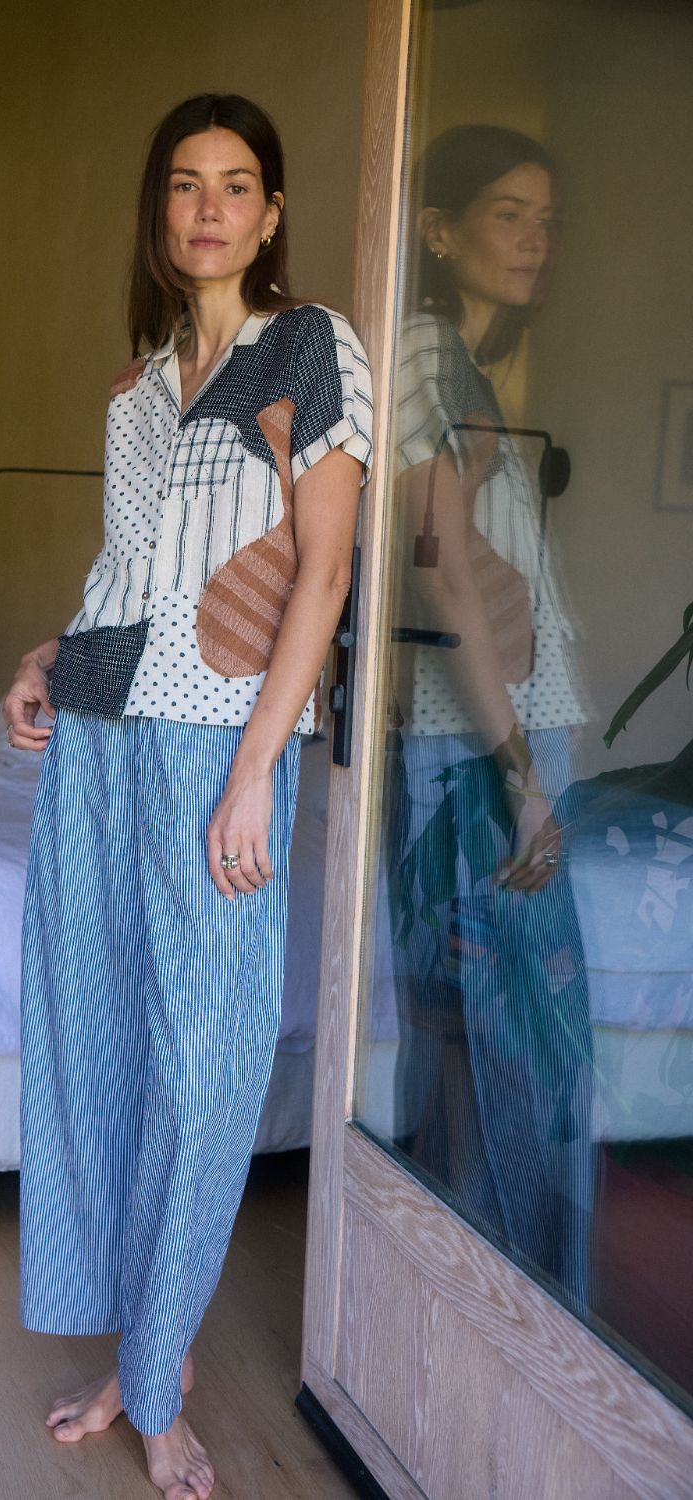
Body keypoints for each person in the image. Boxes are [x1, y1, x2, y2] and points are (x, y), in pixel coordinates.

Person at [3, 94, 372, 1500]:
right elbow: (129, 583)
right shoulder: (137, 388)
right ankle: (140, 1351)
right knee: (97, 1045)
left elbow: (324, 573)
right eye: (183, 184)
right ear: (160, 214)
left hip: (219, 744)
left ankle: (152, 1385)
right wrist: (45, 659)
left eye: (235, 184)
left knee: (206, 1070)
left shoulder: (308, 345)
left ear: (270, 215)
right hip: (97, 738)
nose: (207, 207)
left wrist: (257, 770)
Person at [387, 125, 594, 1312]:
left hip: (477, 740)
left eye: (546, 220)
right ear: (437, 231)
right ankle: (536, 1320)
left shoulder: (460, 369)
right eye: (507, 213)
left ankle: (460, 1298)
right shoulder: (429, 355)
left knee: (472, 1036)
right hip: (480, 749)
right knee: (531, 1051)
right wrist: (520, 770)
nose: (535, 240)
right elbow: (443, 568)